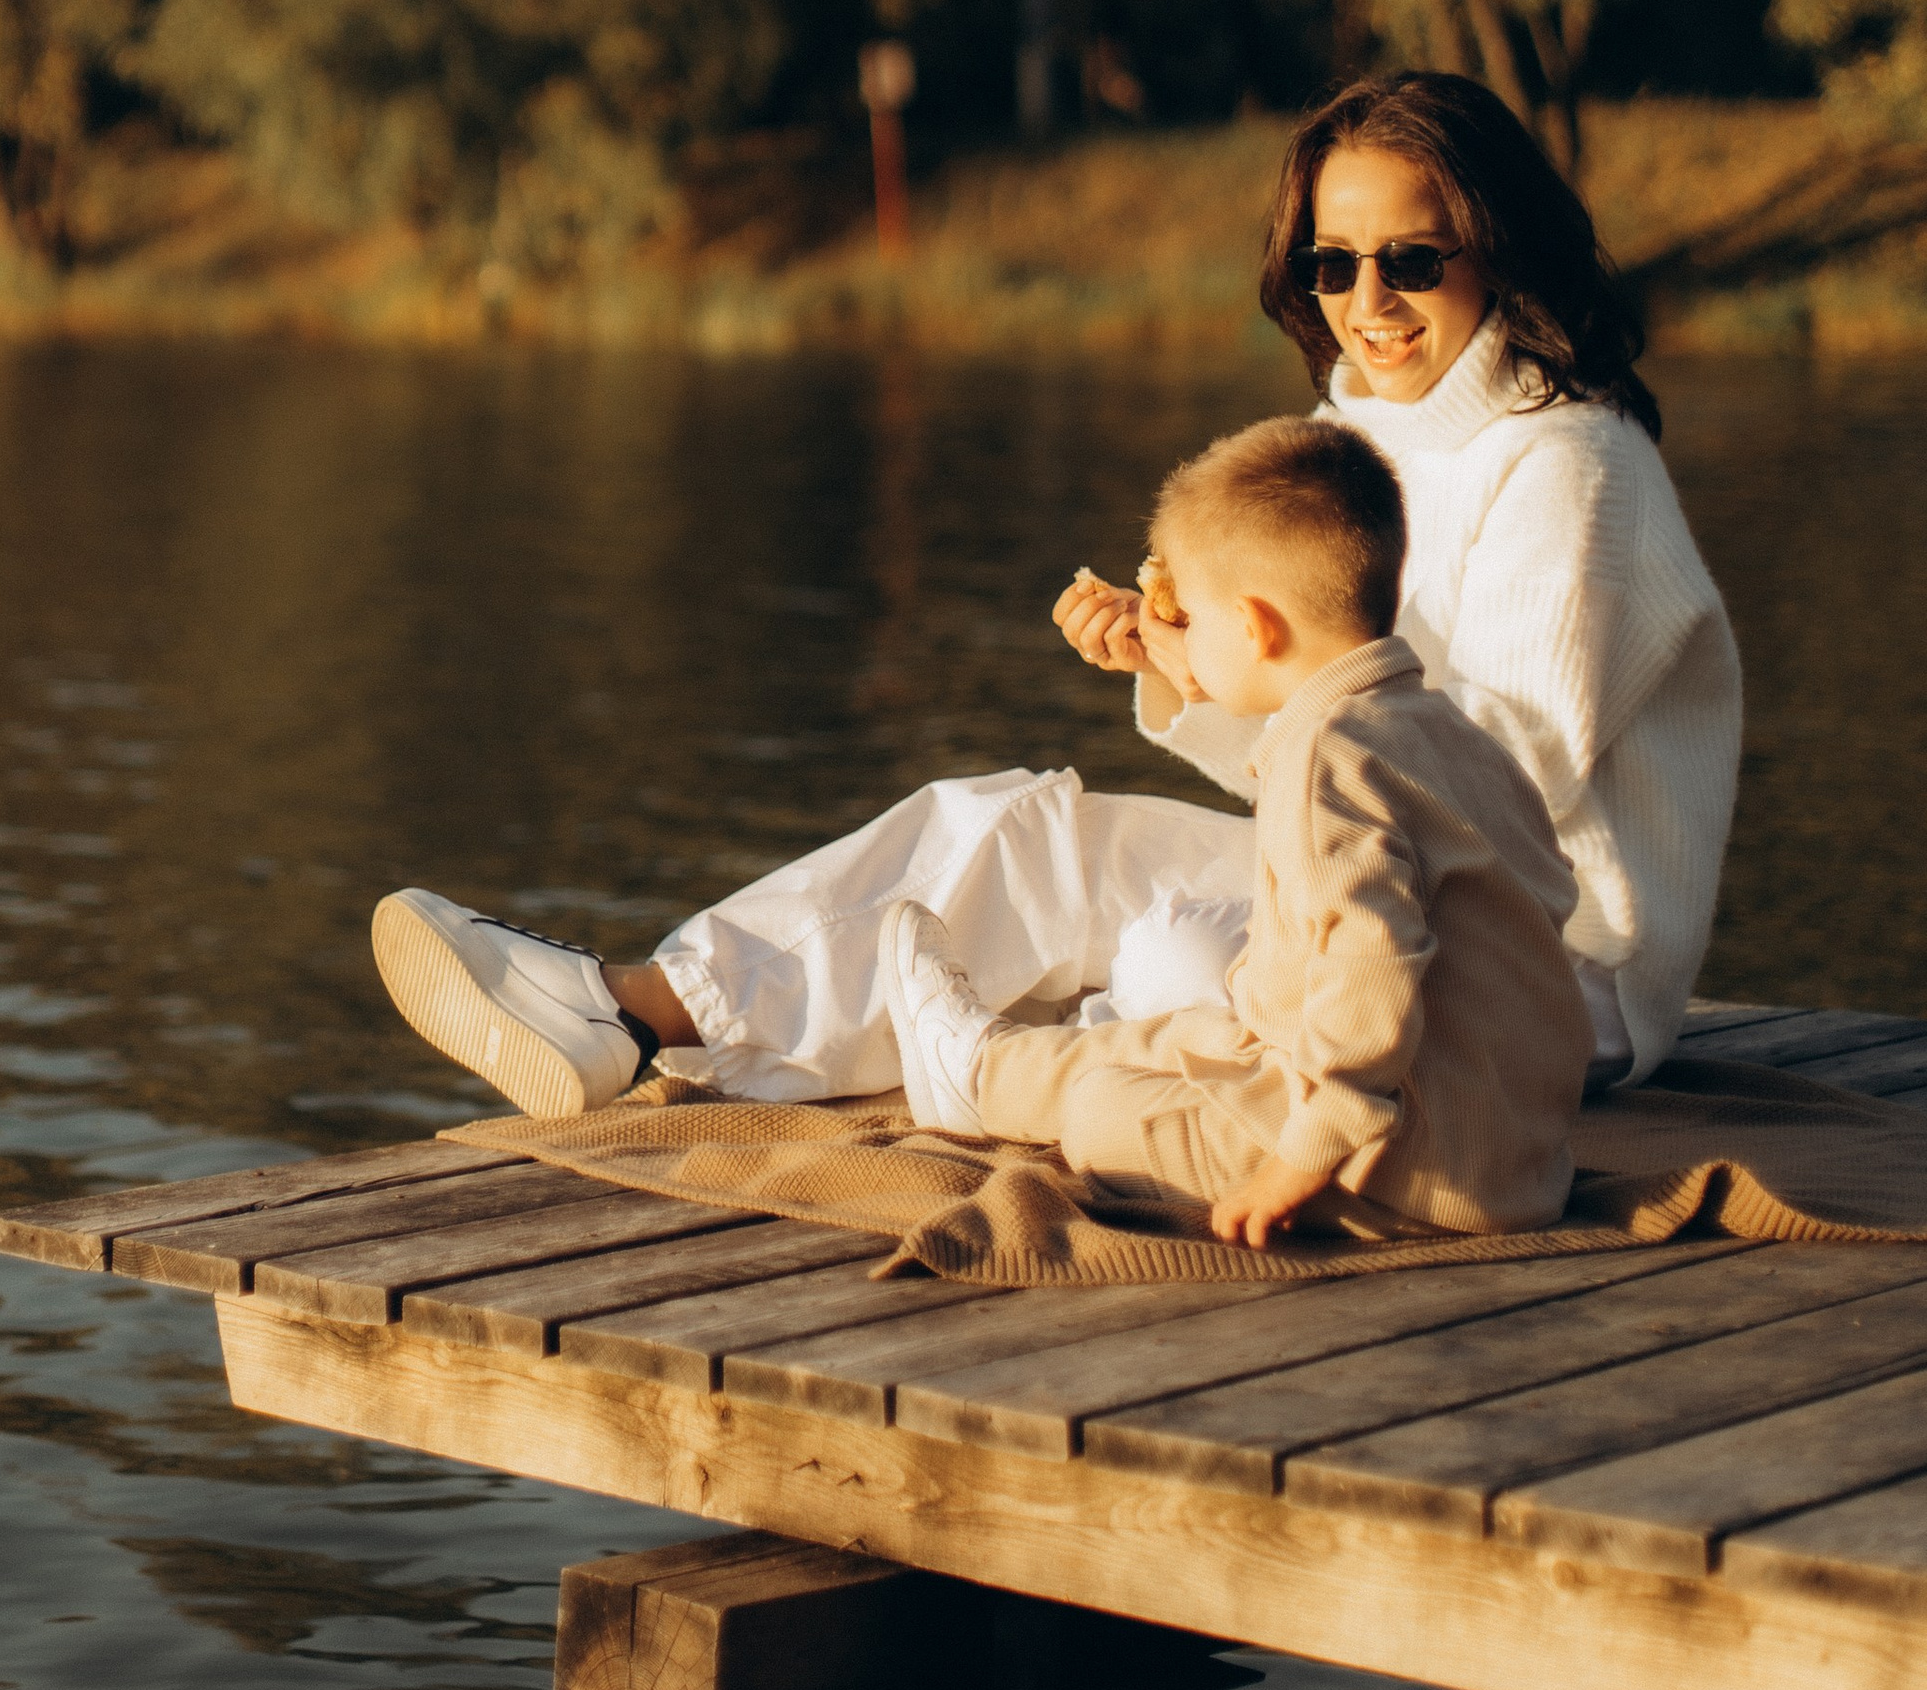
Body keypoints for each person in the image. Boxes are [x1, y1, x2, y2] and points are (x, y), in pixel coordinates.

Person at [369, 70, 1740, 1120]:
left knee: (1165, 970)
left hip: (1548, 976)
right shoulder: (1372, 437)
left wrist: (1251, 661)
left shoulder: (1574, 470)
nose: (1368, 302)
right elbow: (1341, 758)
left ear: (1495, 250)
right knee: (1016, 831)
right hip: (1377, 890)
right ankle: (629, 1013)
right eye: (1335, 264)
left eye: (1413, 259)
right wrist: (1194, 662)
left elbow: (1489, 792)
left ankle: (1008, 1062)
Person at [877, 415, 1596, 1244]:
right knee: (1195, 1035)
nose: (1181, 635)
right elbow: (1545, 901)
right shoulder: (1444, 735)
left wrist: (1304, 1156)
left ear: (1256, 629)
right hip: (1515, 1156)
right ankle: (980, 1067)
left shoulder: (1324, 758)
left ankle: (998, 1082)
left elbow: (1375, 964)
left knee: (1101, 1111)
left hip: (1393, 1167)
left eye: (1196, 619)